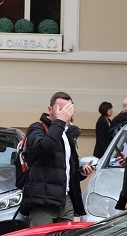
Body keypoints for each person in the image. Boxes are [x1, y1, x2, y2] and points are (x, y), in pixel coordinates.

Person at [21, 92, 88, 225]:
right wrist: (59, 122)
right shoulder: (37, 128)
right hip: (43, 200)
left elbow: (62, 168)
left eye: (68, 110)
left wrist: (81, 173)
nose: (65, 113)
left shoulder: (68, 134)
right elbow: (44, 148)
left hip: (65, 200)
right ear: (50, 109)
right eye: (61, 109)